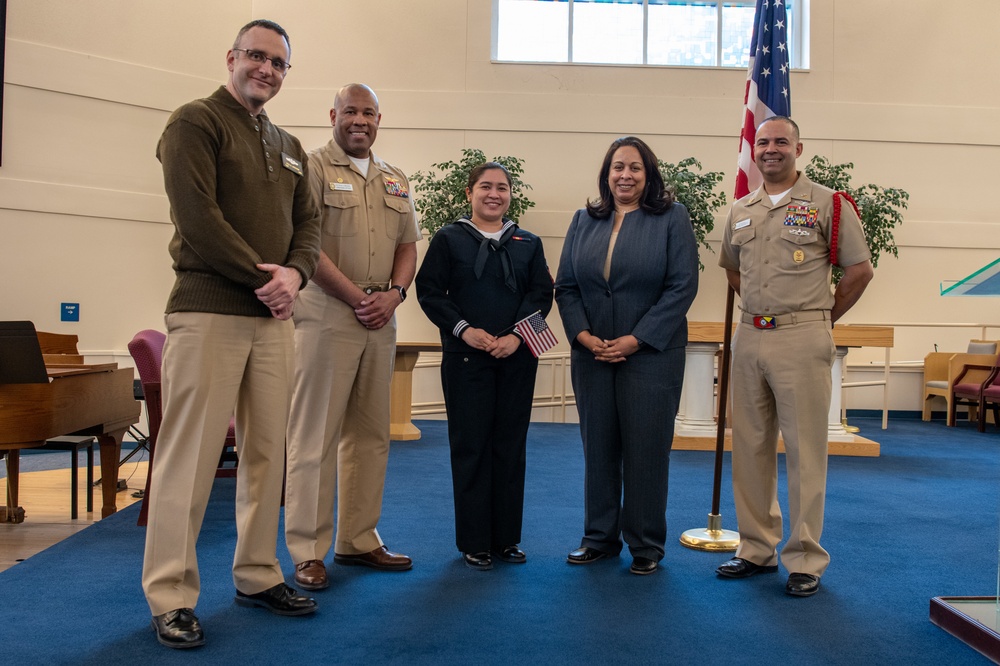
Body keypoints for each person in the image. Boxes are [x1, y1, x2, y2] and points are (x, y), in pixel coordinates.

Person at [142, 19, 321, 649]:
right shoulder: (195, 121)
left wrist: (295, 277)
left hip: (272, 322)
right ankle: (171, 593)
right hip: (209, 310)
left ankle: (256, 572)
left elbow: (309, 227)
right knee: (188, 459)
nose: (266, 70)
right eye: (256, 56)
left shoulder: (292, 143)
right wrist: (263, 278)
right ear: (232, 57)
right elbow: (197, 218)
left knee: (267, 454)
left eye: (278, 63)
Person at [715, 116, 873, 597]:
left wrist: (820, 318)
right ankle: (756, 548)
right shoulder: (742, 208)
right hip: (750, 336)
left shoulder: (828, 203)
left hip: (802, 337)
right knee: (751, 446)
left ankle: (805, 557)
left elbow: (859, 271)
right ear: (753, 149)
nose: (770, 149)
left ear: (798, 148)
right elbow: (733, 272)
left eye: (781, 141)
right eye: (762, 142)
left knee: (805, 450)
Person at [284, 83, 420, 591]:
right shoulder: (310, 167)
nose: (359, 120)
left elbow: (407, 245)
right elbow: (307, 244)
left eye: (368, 112)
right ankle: (307, 549)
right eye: (350, 111)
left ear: (379, 119)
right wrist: (355, 296)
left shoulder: (394, 178)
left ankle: (358, 539)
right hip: (326, 315)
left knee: (370, 435)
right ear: (333, 115)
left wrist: (395, 294)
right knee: (313, 436)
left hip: (381, 317)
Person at [554, 136, 699, 575]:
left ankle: (646, 544)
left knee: (646, 451)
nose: (626, 175)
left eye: (635, 168)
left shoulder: (672, 218)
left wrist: (635, 340)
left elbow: (682, 287)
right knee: (597, 448)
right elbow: (566, 286)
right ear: (606, 173)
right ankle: (598, 538)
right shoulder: (584, 220)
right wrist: (582, 336)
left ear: (648, 174)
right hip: (592, 355)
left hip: (651, 355)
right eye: (618, 167)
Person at [415, 162, 554, 570]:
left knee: (510, 447)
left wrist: (516, 337)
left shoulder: (527, 242)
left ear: (511, 194)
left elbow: (541, 294)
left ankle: (506, 539)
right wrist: (465, 330)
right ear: (469, 193)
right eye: (485, 187)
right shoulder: (449, 239)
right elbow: (429, 292)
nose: (494, 194)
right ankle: (475, 540)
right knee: (471, 446)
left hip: (517, 357)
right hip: (466, 358)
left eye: (502, 188)